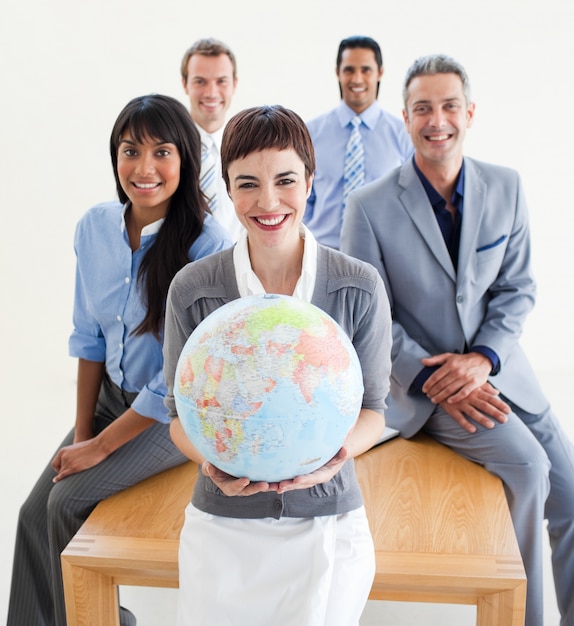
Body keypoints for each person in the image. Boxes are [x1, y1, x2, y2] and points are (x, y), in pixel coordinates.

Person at [340, 54, 574, 626]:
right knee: (528, 470)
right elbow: (366, 317)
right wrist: (436, 377)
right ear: (404, 118)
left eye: (448, 106)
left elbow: (518, 288)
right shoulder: (366, 207)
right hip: (422, 388)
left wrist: (484, 358)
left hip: (502, 372)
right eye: (422, 107)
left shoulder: (506, 186)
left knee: (570, 496)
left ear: (469, 113)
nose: (436, 119)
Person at [7, 94, 232, 626]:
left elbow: (176, 380)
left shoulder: (207, 246)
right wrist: (84, 434)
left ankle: (99, 620)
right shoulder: (95, 227)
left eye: (162, 152)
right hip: (110, 400)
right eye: (130, 151)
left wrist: (102, 446)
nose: (144, 168)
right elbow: (88, 338)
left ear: (186, 162)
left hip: (170, 416)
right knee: (29, 515)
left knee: (63, 507)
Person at [163, 104, 392, 626]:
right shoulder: (193, 290)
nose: (268, 202)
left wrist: (335, 456)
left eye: (286, 180)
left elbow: (375, 410)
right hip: (222, 529)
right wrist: (210, 463)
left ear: (310, 181)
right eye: (247, 184)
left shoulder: (358, 286)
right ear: (226, 188)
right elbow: (178, 416)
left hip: (328, 524)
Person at [303, 35, 412, 249]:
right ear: (338, 73)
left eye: (366, 70)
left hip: (383, 253)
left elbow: (412, 201)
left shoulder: (404, 135)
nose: (357, 79)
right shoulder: (310, 133)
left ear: (380, 72)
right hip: (323, 251)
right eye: (349, 70)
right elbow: (299, 196)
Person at [181, 37, 243, 241]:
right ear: (185, 84)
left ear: (234, 84)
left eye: (221, 81)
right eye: (200, 81)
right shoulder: (163, 148)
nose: (211, 92)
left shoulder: (249, 148)